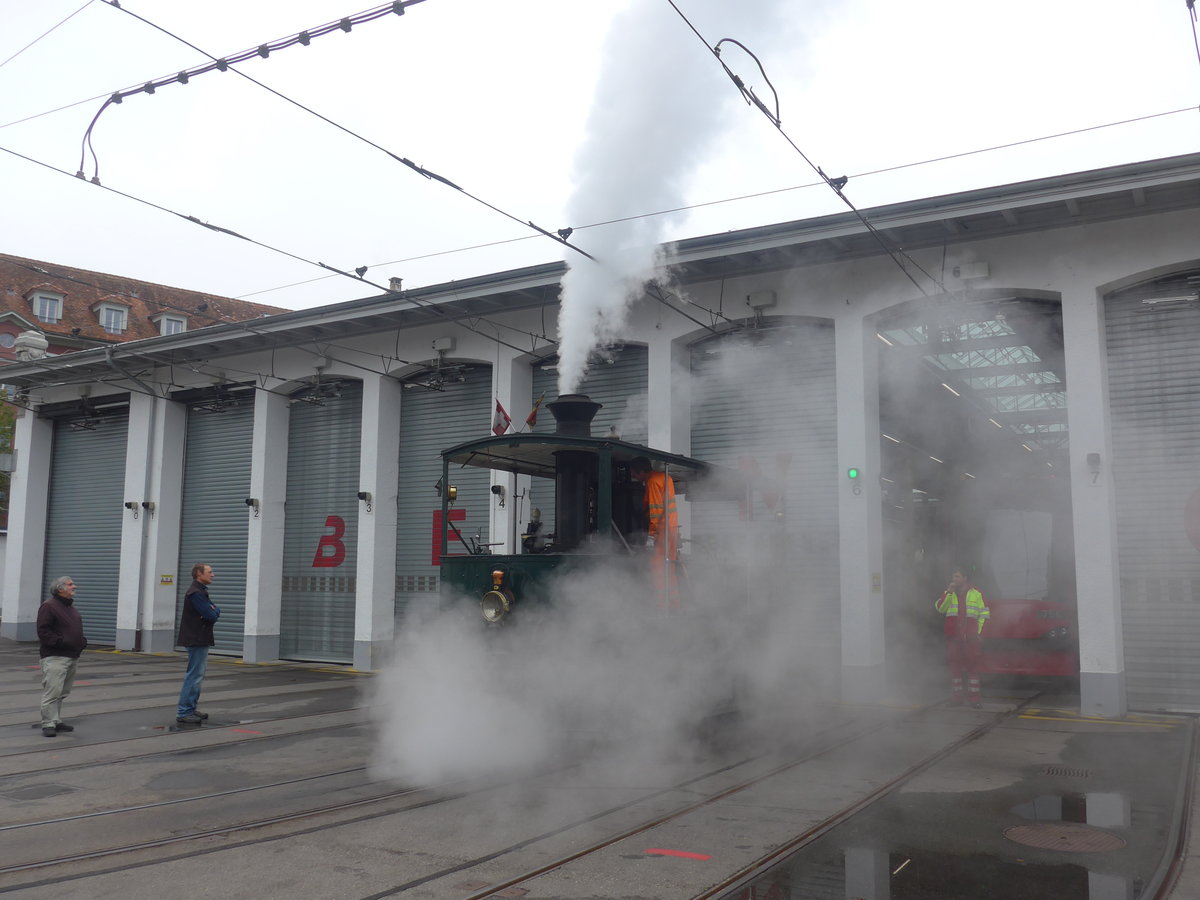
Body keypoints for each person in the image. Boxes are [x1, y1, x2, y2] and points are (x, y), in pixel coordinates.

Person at [36, 575, 87, 738]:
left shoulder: (70, 608)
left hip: (71, 655)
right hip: (55, 656)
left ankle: (56, 720)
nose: (75, 586)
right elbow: (43, 631)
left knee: (62, 692)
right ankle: (48, 724)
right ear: (60, 589)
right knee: (52, 691)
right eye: (70, 584)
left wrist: (81, 641)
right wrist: (60, 642)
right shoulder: (49, 606)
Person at [935, 567, 990, 707]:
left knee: (972, 668)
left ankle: (974, 699)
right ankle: (956, 698)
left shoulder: (977, 594)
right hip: (954, 638)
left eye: (957, 577)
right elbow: (940, 608)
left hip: (970, 639)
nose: (954, 580)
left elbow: (984, 615)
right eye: (953, 577)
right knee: (955, 667)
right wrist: (948, 592)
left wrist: (979, 635)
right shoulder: (949, 593)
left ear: (965, 578)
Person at [630, 457, 681, 610]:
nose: (633, 477)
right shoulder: (666, 477)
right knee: (670, 569)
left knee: (658, 567)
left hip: (662, 530)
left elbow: (656, 510)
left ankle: (661, 607)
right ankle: (674, 605)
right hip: (672, 528)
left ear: (641, 471)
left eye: (634, 474)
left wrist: (652, 535)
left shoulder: (652, 482)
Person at [176, 563, 220, 725]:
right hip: (196, 638)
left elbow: (211, 612)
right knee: (194, 676)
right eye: (210, 572)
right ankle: (184, 711)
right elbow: (211, 615)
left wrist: (213, 610)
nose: (213, 575)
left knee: (197, 675)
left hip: (199, 637)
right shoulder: (196, 593)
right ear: (199, 574)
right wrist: (214, 610)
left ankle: (190, 709)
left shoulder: (200, 591)